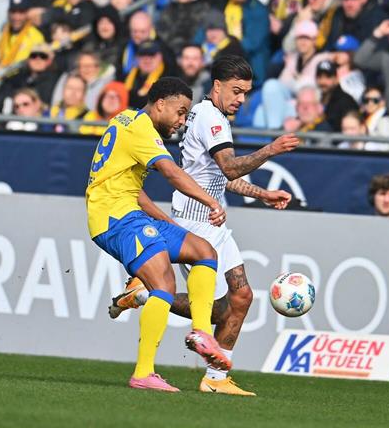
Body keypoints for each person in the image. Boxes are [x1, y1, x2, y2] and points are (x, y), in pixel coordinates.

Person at [108, 57, 298, 395]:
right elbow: (228, 168)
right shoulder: (211, 118)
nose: (241, 99)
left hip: (213, 218)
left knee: (241, 297)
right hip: (197, 222)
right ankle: (141, 295)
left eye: (246, 93)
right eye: (236, 91)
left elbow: (216, 177)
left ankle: (215, 378)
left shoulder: (210, 115)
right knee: (214, 309)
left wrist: (262, 193)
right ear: (217, 86)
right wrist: (271, 150)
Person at [85, 76, 231, 392]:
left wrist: (168, 224)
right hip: (115, 219)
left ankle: (202, 332)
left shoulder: (127, 120)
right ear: (160, 103)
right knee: (165, 281)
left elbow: (132, 190)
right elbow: (170, 172)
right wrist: (209, 200)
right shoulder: (141, 129)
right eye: (179, 112)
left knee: (203, 249)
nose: (181, 121)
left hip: (127, 211)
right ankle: (143, 372)